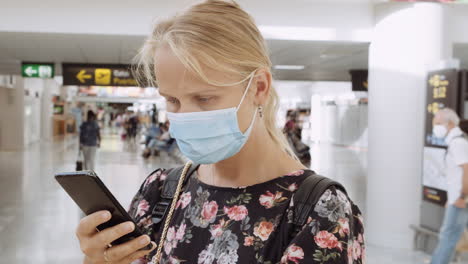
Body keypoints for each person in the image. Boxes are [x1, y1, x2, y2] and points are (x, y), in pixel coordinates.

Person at [75, 1, 365, 264]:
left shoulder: (318, 211)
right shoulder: (160, 191)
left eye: (204, 98)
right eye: (172, 100)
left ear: (258, 88)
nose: (184, 116)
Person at [431, 108, 468, 264]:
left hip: (460, 200)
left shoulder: (458, 143)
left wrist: (462, 197)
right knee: (450, 235)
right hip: (456, 199)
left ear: (450, 123)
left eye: (438, 123)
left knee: (448, 236)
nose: (435, 127)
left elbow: (467, 170)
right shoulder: (456, 141)